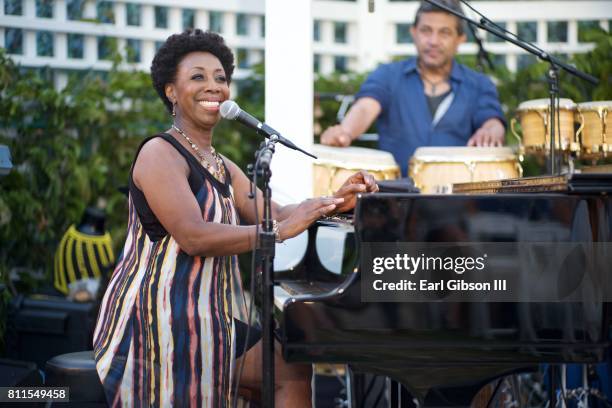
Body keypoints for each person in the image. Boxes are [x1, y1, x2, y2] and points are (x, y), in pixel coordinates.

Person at [92, 29, 378, 407]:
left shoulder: (221, 165)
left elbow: (274, 213)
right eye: (198, 77)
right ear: (171, 91)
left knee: (290, 368)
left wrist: (334, 201)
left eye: (220, 78)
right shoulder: (159, 154)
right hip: (157, 322)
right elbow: (194, 236)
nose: (213, 87)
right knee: (283, 370)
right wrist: (274, 233)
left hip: (207, 319)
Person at [320, 0, 506, 176]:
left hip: (459, 201)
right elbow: (365, 107)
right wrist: (345, 131)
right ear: (414, 32)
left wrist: (491, 132)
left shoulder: (479, 85)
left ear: (460, 39)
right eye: (426, 30)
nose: (433, 41)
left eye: (444, 32)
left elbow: (492, 121)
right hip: (395, 199)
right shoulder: (388, 76)